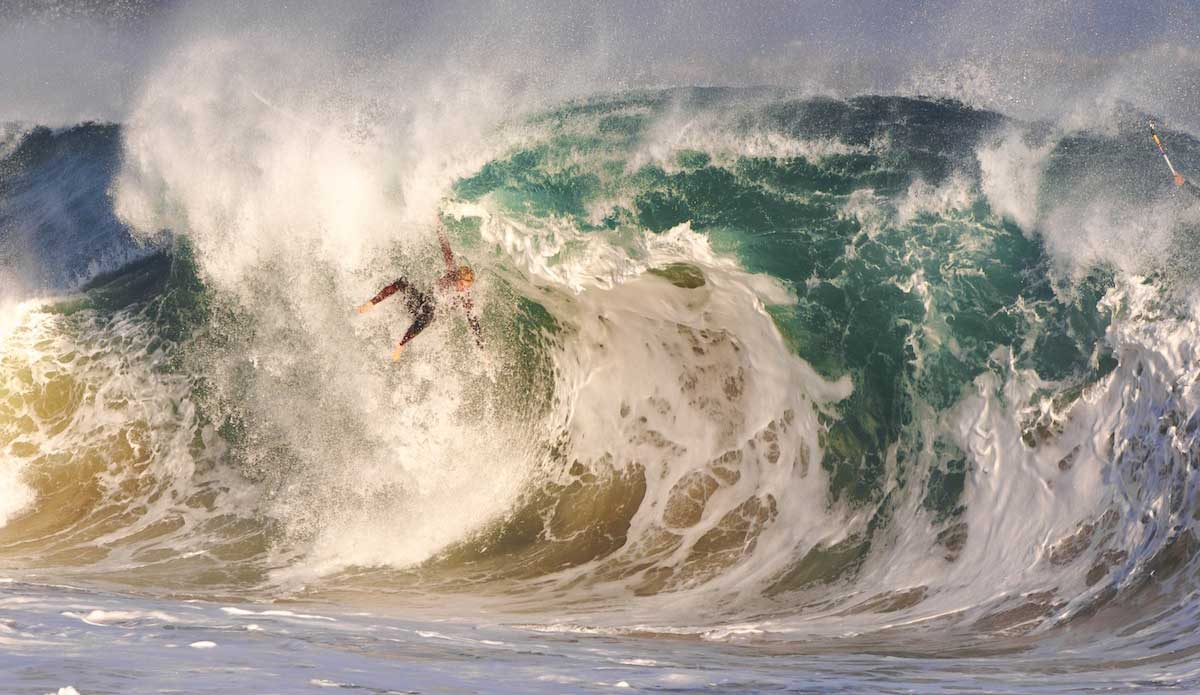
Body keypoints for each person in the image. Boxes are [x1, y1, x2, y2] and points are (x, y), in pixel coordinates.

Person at [357, 225, 483, 361]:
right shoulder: (451, 274)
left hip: (425, 318)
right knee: (402, 281)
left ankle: (400, 345)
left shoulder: (464, 298)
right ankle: (371, 303)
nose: (464, 289)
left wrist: (482, 349)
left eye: (467, 287)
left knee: (430, 310)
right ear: (457, 278)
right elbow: (446, 248)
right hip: (418, 303)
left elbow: (473, 322)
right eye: (463, 285)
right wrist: (438, 225)